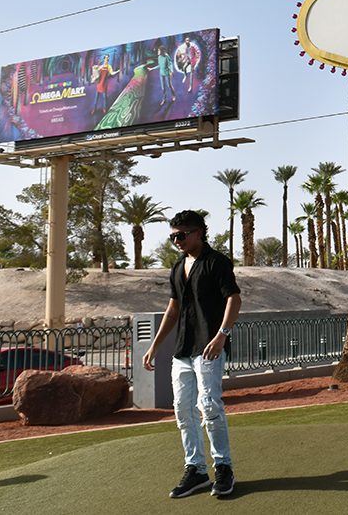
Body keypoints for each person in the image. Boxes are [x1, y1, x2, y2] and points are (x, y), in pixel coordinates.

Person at [142, 210, 242, 499]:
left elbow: (233, 298)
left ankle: (223, 468)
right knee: (182, 410)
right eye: (173, 235)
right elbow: (173, 309)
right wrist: (155, 345)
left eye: (181, 234)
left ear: (199, 232)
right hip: (183, 349)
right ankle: (196, 469)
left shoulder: (216, 262)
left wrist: (222, 335)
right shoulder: (176, 267)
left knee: (209, 405)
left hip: (209, 347)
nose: (177, 240)